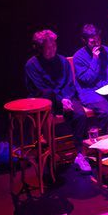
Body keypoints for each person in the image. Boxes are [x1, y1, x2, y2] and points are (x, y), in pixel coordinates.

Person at [23, 29, 91, 173]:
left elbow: (69, 84)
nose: (53, 49)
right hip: (44, 101)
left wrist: (66, 99)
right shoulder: (32, 65)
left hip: (65, 98)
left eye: (54, 46)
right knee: (47, 111)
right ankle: (48, 153)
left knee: (80, 115)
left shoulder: (62, 61)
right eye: (49, 47)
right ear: (40, 48)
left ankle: (80, 154)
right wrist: (61, 101)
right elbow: (40, 89)